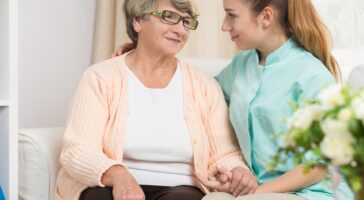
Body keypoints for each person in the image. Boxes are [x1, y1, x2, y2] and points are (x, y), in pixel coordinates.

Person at [113, 0, 355, 199]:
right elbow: (199, 91)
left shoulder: (311, 75)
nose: (224, 26)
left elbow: (320, 164)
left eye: (231, 15)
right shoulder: (244, 64)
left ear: (266, 17)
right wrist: (141, 54)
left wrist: (256, 193)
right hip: (256, 190)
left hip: (312, 192)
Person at [55, 0, 256, 200]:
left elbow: (224, 154)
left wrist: (238, 171)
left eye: (186, 22)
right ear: (137, 22)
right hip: (111, 184)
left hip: (180, 188)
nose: (180, 30)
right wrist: (118, 175)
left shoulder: (204, 86)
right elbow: (78, 149)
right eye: (169, 17)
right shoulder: (100, 78)